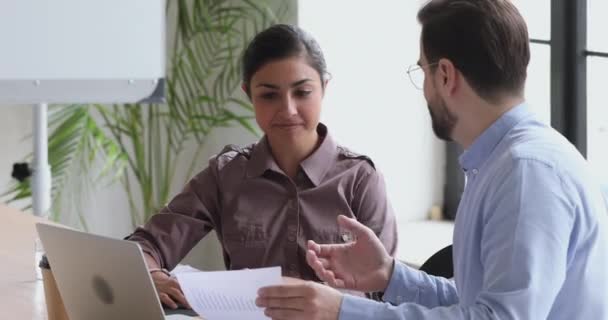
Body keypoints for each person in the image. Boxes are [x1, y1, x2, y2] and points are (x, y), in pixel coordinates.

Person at [256, 1, 608, 319]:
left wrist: (342, 311)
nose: (425, 88)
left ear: (445, 75)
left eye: (423, 71)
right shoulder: (506, 163)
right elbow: (479, 304)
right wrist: (390, 275)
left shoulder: (526, 173)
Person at [126, 24, 398, 309]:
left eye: (302, 92)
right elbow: (146, 245)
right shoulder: (226, 175)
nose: (288, 109)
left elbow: (388, 291)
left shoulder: (360, 179)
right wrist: (153, 275)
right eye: (269, 95)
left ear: (324, 88)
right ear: (249, 94)